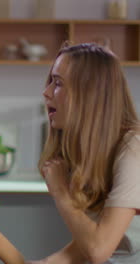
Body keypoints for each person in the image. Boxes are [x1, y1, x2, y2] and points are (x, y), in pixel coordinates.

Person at [29, 43, 140, 264]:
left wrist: (61, 192)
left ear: (90, 94)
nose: (46, 92)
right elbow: (89, 240)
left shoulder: (133, 149)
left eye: (58, 83)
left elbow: (98, 249)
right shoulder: (91, 154)